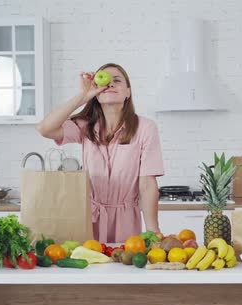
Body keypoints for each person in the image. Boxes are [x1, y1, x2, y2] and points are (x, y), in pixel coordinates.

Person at [37, 63, 164, 243]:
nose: (110, 84)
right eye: (105, 81)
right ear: (96, 93)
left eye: (117, 80)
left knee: (123, 266)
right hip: (88, 220)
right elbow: (45, 128)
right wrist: (83, 97)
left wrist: (154, 231)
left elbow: (147, 185)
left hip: (126, 222)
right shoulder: (85, 126)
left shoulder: (145, 128)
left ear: (128, 92)